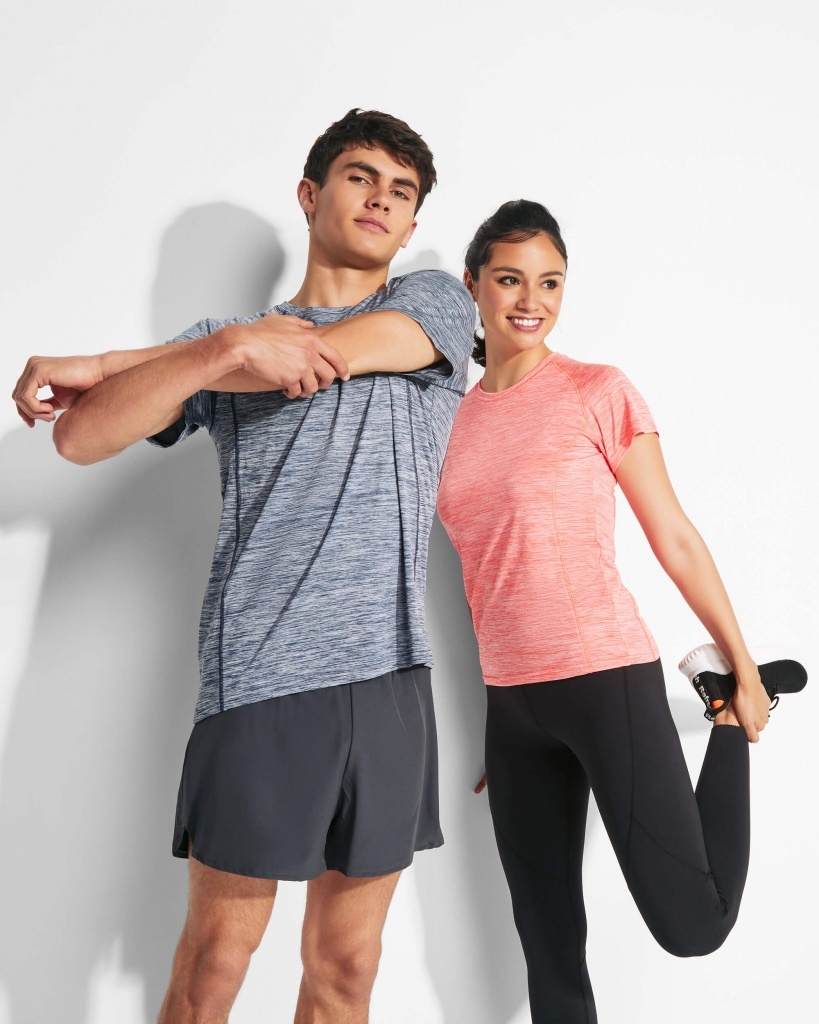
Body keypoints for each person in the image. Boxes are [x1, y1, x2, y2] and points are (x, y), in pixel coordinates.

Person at [11, 109, 474, 1024]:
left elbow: (322, 356)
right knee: (215, 964)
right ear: (309, 194)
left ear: (413, 224)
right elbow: (77, 438)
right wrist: (222, 348)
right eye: (360, 176)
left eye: (401, 191)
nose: (381, 199)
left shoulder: (434, 306)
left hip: (388, 677)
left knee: (347, 967)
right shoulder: (219, 343)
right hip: (259, 676)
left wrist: (115, 360)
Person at [436, 199, 807, 1023]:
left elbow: (673, 535)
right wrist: (497, 709)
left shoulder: (594, 391)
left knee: (693, 927)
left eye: (549, 282)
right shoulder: (448, 420)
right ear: (472, 285)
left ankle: (720, 708)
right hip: (512, 704)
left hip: (604, 679)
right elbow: (483, 571)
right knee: (546, 947)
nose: (530, 300)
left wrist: (744, 668)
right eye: (509, 279)